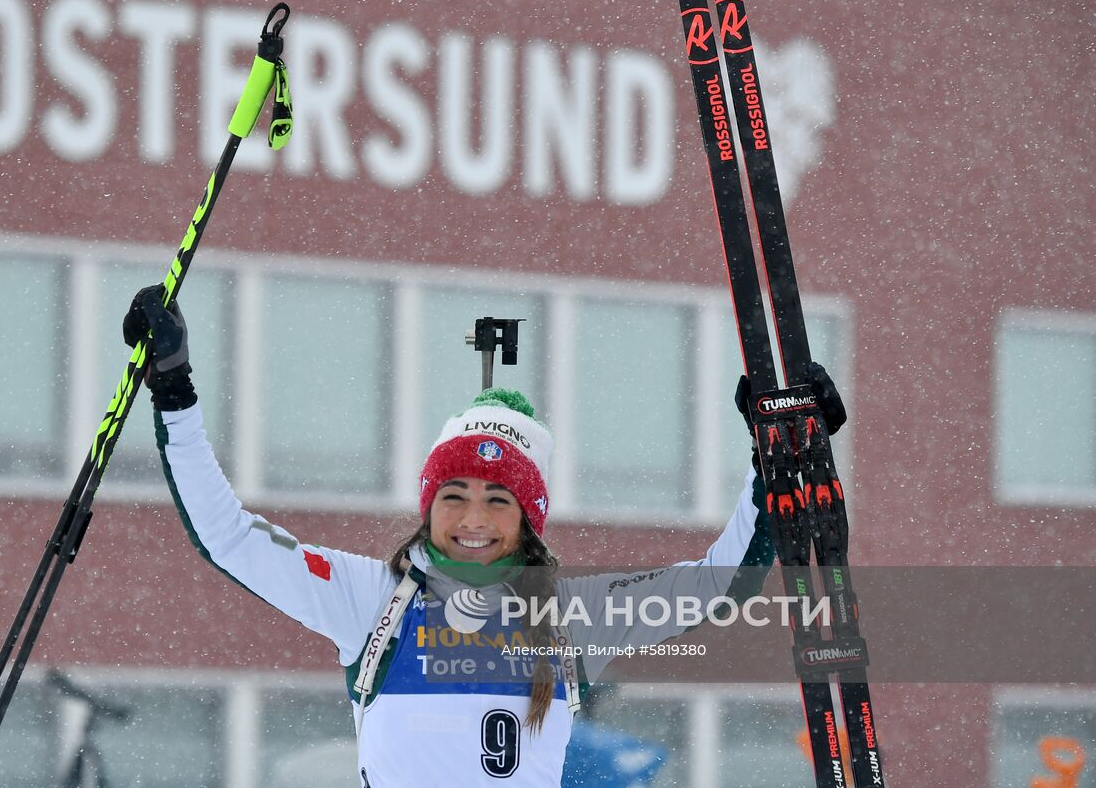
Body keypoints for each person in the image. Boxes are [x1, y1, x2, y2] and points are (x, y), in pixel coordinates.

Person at [124, 286, 847, 788]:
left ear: (529, 520)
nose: (472, 518)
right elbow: (228, 536)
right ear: (427, 505)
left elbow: (718, 584)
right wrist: (174, 390)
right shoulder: (370, 599)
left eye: (499, 500)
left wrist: (772, 465)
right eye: (455, 495)